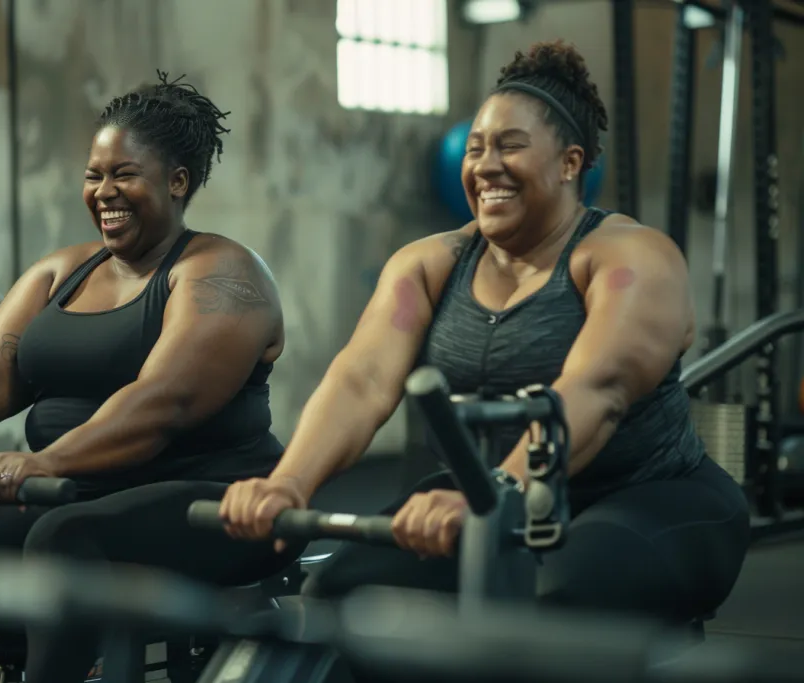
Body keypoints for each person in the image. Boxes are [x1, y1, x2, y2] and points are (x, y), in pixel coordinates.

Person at [219, 40, 751, 631]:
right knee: (341, 595)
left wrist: (498, 494)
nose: (484, 165)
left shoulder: (631, 257)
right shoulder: (428, 265)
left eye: (510, 146)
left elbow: (598, 389)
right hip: (491, 495)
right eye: (475, 149)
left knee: (551, 605)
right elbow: (361, 380)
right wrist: (288, 483)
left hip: (644, 497)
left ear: (570, 163)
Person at [0, 72, 301, 683]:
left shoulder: (223, 272)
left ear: (178, 182)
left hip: (217, 501)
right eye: (94, 174)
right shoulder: (61, 272)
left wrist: (48, 461)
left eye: (124, 174)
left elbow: (162, 403)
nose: (104, 192)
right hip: (77, 490)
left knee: (65, 538)